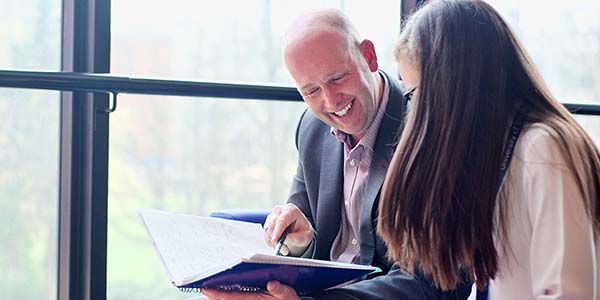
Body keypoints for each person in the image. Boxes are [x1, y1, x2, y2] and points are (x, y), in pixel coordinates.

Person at [202, 8, 472, 300]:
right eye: (311, 91)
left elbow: (431, 281)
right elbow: (304, 232)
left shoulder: (427, 129)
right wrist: (298, 244)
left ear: (368, 56)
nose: (330, 102)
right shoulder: (311, 128)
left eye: (337, 78)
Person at [378, 0, 600, 299]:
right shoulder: (501, 152)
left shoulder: (543, 148)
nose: (414, 109)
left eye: (416, 94)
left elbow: (568, 294)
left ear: (451, 86)